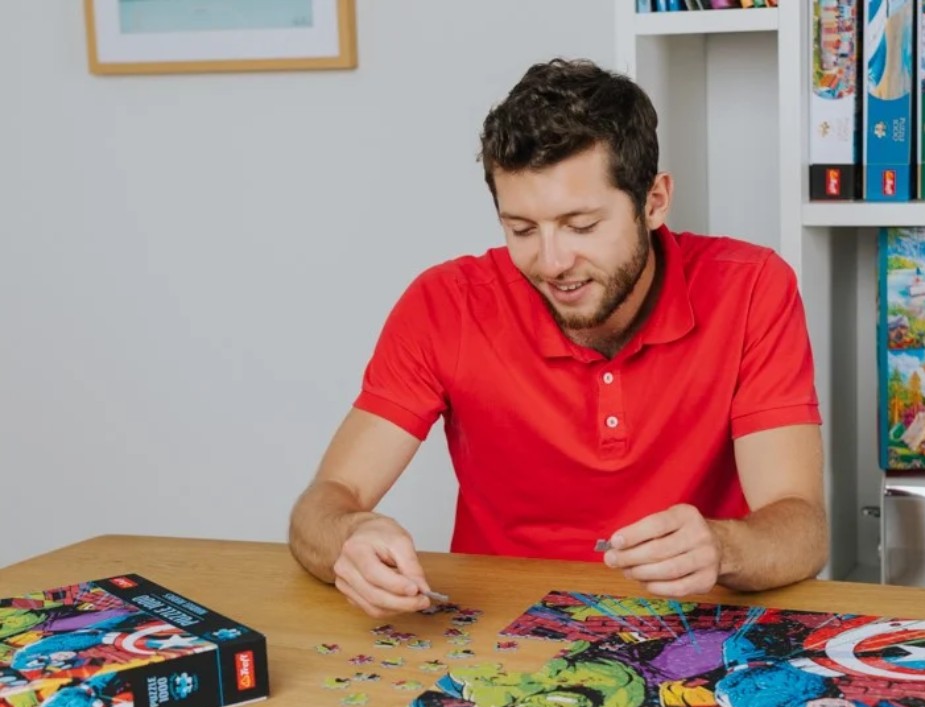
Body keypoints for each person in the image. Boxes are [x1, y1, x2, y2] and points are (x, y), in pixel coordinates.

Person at [289, 58, 828, 619]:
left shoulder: (752, 288)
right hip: (499, 631)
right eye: (522, 229)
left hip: (695, 626)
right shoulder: (444, 304)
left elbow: (802, 529)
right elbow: (323, 505)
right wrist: (349, 537)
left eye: (581, 226)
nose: (551, 262)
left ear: (654, 202)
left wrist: (724, 547)